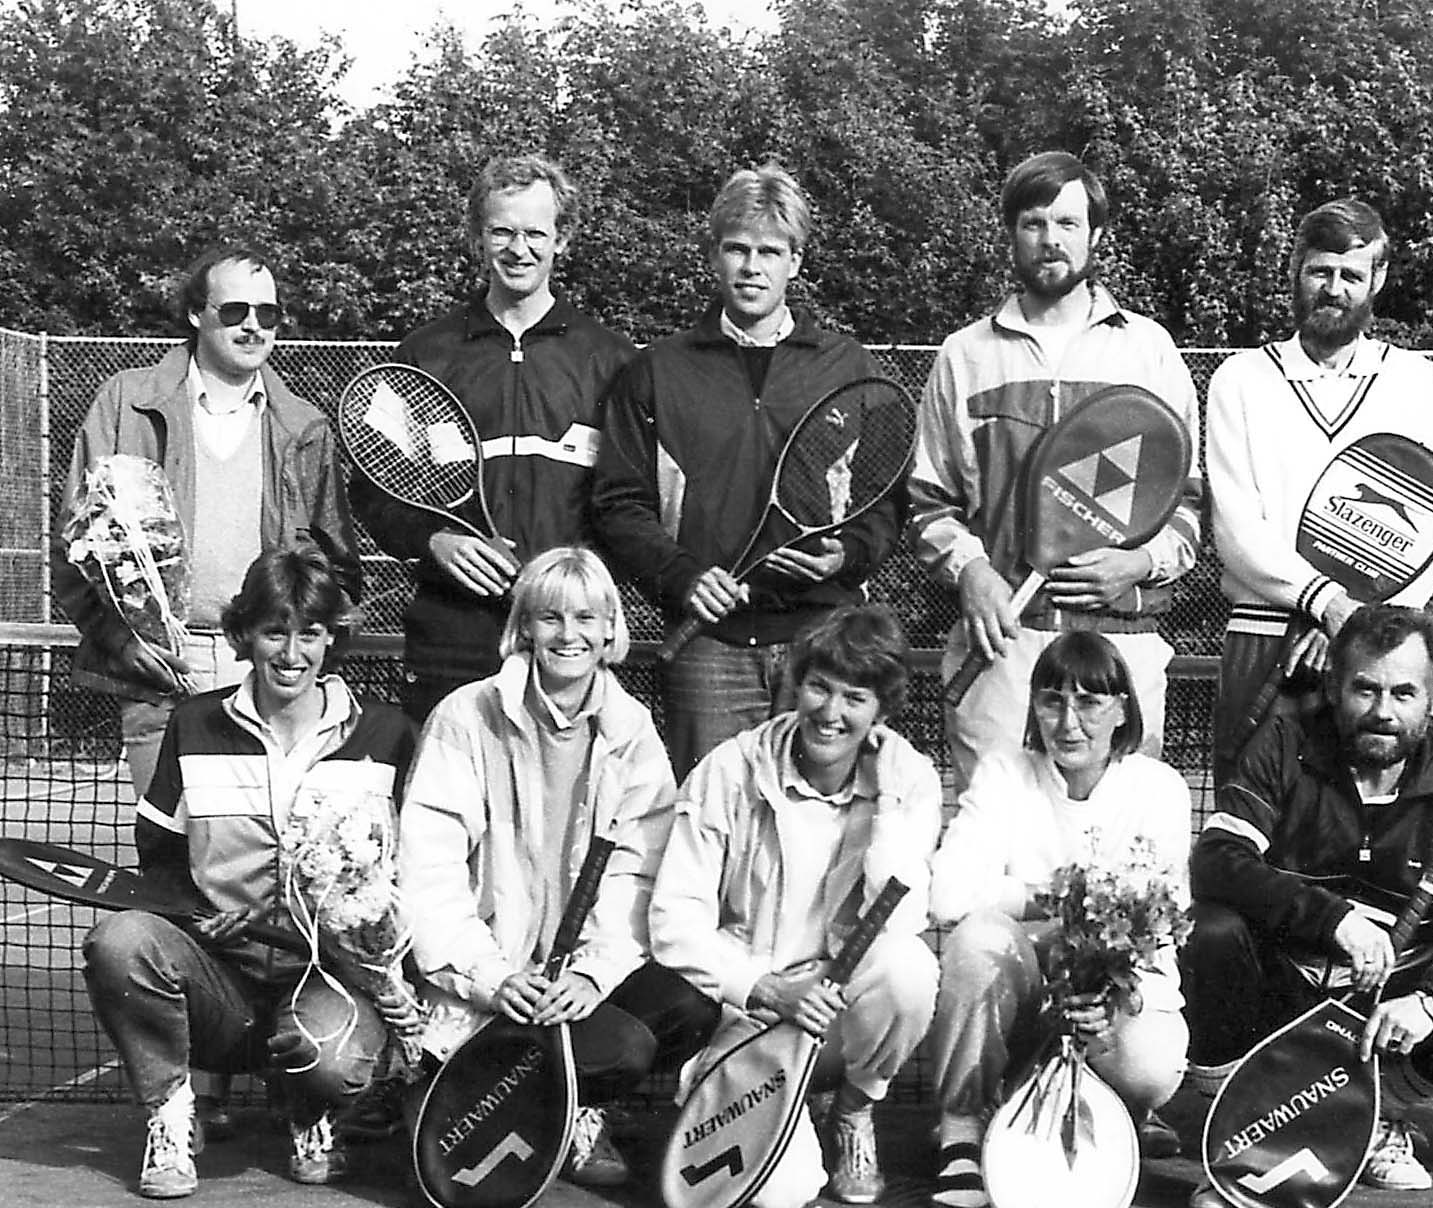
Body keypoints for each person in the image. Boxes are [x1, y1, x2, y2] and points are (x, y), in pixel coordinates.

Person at [1179, 605, 1433, 1208]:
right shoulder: (1284, 744)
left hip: (1388, 1013)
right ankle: (1236, 1120)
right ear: (1333, 687)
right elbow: (1217, 858)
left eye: (1404, 692)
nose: (1383, 710)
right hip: (1284, 997)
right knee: (1211, 932)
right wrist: (1331, 919)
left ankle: (1376, 1110)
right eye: (1366, 689)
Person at [81, 549, 415, 1199]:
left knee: (336, 1060)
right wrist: (199, 916)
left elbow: (411, 868)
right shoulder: (194, 723)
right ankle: (171, 1115)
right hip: (223, 987)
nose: (291, 653)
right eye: (273, 632)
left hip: (327, 980)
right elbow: (161, 857)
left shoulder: (387, 734)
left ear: (331, 640)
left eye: (310, 634)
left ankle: (312, 1110)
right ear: (245, 636)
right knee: (118, 941)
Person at [399, 546, 720, 1189]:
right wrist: (494, 978)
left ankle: (572, 1109)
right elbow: (428, 873)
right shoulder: (465, 717)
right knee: (624, 1048)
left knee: (691, 1004)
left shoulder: (633, 731)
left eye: (585, 618)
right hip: (487, 983)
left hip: (574, 983)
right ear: (523, 628)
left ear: (609, 631)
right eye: (549, 617)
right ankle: (467, 1091)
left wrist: (593, 977)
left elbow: (638, 875)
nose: (568, 635)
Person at [906, 150, 1203, 788]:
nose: (1050, 240)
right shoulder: (965, 356)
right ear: (1011, 234)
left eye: (1068, 224)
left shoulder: (1150, 351)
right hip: (1002, 647)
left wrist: (1138, 565)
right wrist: (972, 571)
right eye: (1034, 223)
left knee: (1112, 854)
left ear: (1095, 235)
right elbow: (928, 504)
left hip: (1123, 642)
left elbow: (1190, 505)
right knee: (997, 854)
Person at [592, 164, 896, 780]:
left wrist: (846, 558)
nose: (752, 267)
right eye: (737, 249)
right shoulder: (656, 371)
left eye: (770, 251)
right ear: (713, 257)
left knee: (820, 824)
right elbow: (617, 502)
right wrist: (682, 575)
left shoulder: (850, 367)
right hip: (706, 645)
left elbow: (885, 503)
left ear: (797, 261)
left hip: (823, 644)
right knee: (706, 822)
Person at [647, 605, 941, 1208]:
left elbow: (901, 918)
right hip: (750, 1012)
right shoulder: (731, 767)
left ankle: (854, 1110)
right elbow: (674, 920)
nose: (831, 714)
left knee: (909, 969)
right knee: (776, 1202)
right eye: (819, 687)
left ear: (881, 712)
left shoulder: (908, 777)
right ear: (796, 684)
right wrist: (766, 989)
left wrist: (885, 802)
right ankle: (783, 1107)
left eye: (854, 698)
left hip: (838, 1011)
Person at [52, 244, 361, 798]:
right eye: (234, 311)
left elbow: (335, 565)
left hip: (268, 665)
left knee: (260, 864)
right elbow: (74, 545)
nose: (253, 326)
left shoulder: (305, 426)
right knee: (167, 869)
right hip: (166, 670)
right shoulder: (126, 402)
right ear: (197, 314)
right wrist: (120, 640)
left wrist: (298, 651)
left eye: (267, 315)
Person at [354, 154, 637, 727]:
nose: (519, 248)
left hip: (564, 629)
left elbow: (632, 502)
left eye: (536, 232)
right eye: (502, 231)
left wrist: (577, 588)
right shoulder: (425, 353)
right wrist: (431, 539)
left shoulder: (611, 360)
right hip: (452, 629)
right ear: (478, 237)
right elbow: (372, 488)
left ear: (563, 240)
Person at [925, 631, 1193, 1208]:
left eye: (1090, 702)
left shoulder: (1160, 788)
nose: (1068, 722)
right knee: (977, 941)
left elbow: (1158, 915)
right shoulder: (1002, 773)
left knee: (1149, 1066)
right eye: (1052, 700)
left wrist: (1104, 982)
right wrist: (1062, 899)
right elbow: (947, 896)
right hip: (1026, 982)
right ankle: (961, 1131)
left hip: (1116, 983)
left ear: (1123, 709)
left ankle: (1125, 1114)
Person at [1204, 198, 1433, 788]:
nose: (1333, 289)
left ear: (1378, 280)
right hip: (1265, 635)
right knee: (1251, 831)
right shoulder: (1240, 378)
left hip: (1378, 651)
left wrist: (1359, 621)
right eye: (1320, 271)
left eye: (1351, 275)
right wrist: (1329, 606)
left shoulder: (1413, 379)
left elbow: (1432, 528)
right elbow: (1237, 531)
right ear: (1296, 270)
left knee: (1370, 830)